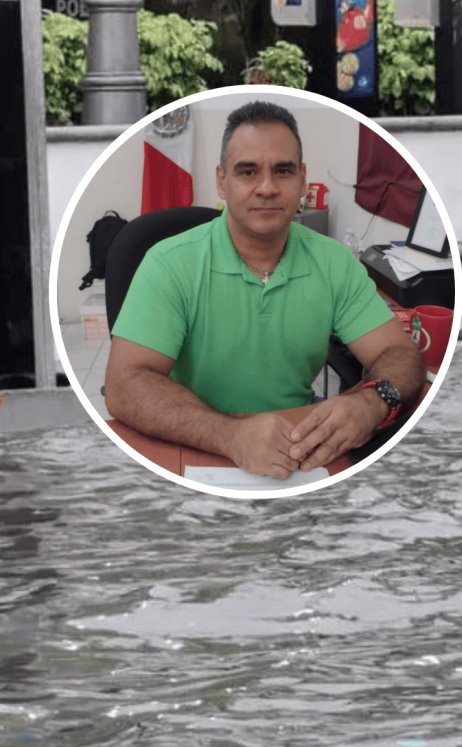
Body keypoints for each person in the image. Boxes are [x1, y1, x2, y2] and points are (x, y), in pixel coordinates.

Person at [105, 101, 425, 480]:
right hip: (193, 446)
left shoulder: (334, 262)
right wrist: (230, 435)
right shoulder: (170, 262)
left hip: (300, 447)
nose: (268, 188)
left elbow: (400, 354)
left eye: (283, 171)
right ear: (222, 181)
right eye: (248, 171)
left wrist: (373, 402)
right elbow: (124, 386)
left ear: (302, 180)